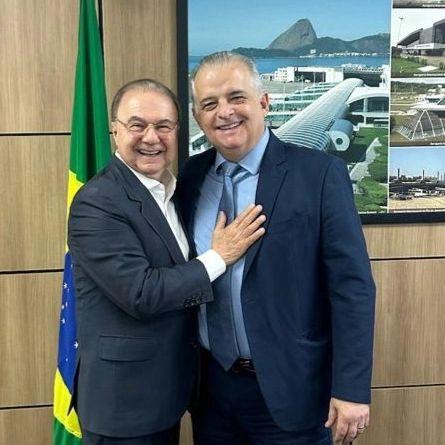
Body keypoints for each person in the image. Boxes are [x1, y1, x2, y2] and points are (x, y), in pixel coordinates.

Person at [177, 52, 376, 445]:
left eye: (236, 97)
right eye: (209, 104)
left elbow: (352, 288)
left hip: (293, 390)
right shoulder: (191, 177)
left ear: (263, 102)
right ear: (198, 117)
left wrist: (351, 389)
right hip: (211, 391)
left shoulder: (319, 174)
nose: (224, 112)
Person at [68, 78, 265, 445]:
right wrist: (219, 256)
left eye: (163, 126)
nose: (151, 137)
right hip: (123, 406)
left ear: (177, 130)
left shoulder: (174, 190)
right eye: (137, 125)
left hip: (168, 395)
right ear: (115, 130)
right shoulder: (98, 202)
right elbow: (141, 293)